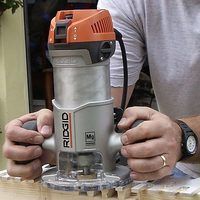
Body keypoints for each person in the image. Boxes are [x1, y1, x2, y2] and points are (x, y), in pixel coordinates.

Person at [3, 0, 200, 180]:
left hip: (186, 156)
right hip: (184, 168)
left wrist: (183, 136)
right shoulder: (130, 3)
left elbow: (178, 139)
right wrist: (60, 143)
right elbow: (101, 123)